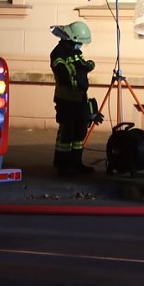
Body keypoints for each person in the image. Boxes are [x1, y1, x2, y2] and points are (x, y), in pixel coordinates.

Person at [49, 21, 103, 176]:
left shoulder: (74, 52)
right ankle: (62, 165)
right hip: (65, 99)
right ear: (71, 39)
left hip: (79, 98)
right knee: (67, 132)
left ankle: (76, 163)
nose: (80, 46)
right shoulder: (58, 53)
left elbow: (81, 64)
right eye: (79, 43)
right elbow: (63, 72)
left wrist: (87, 66)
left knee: (79, 132)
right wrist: (78, 75)